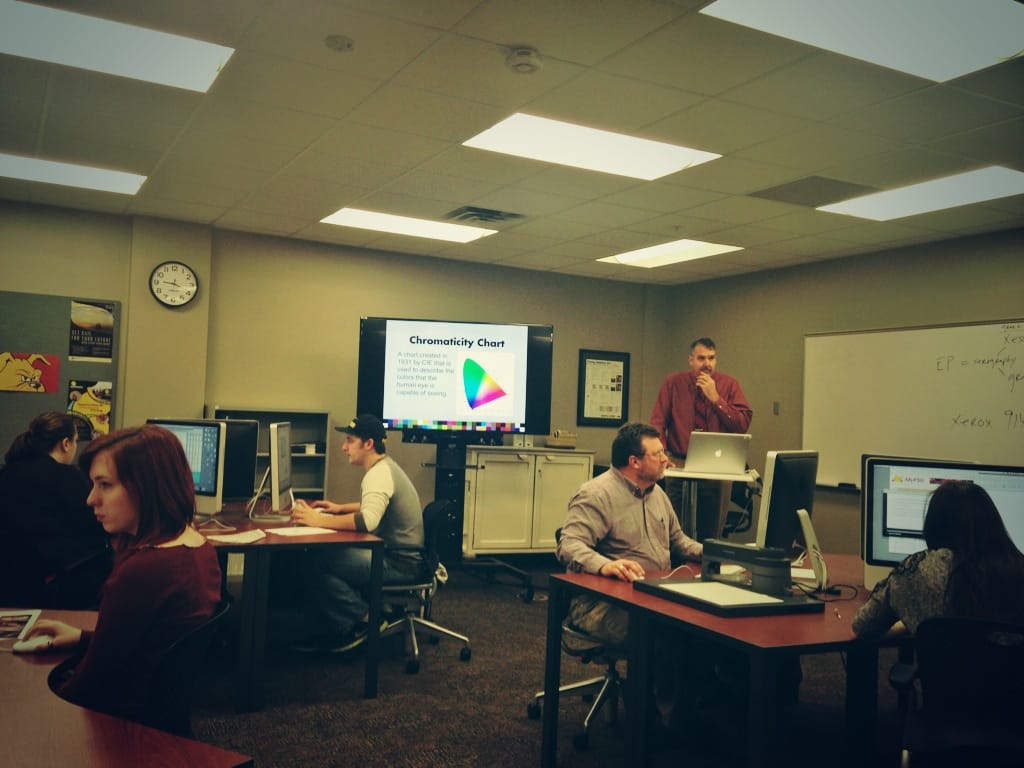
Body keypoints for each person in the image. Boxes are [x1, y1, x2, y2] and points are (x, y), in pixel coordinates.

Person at [18, 424, 222, 724]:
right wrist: (81, 637)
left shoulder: (145, 571)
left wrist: (28, 707)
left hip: (119, 728)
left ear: (148, 487)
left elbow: (88, 689)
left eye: (105, 485)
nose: (90, 499)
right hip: (155, 717)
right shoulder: (199, 548)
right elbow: (147, 644)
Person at [291, 414, 424, 653]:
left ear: (368, 444)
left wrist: (318, 520)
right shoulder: (385, 467)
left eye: (350, 440)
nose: (344, 447)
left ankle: (366, 619)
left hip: (398, 563)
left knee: (317, 563)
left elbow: (368, 521)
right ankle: (348, 618)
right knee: (320, 558)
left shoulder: (378, 474)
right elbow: (377, 507)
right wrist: (340, 508)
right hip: (401, 555)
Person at [853, 480, 1024, 639]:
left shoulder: (912, 573)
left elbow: (863, 625)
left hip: (944, 663)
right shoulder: (1016, 569)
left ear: (933, 524)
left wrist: (912, 619)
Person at [0, 411, 111, 608]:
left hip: (11, 586)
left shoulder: (6, 474)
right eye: (76, 441)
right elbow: (98, 526)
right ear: (66, 444)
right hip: (64, 589)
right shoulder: (71, 478)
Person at [650, 337, 753, 536]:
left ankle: (708, 557)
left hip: (717, 466)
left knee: (711, 532)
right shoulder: (674, 383)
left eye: (711, 358)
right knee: (675, 530)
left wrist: (716, 399)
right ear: (691, 360)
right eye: (701, 358)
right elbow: (658, 422)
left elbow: (741, 425)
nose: (707, 364)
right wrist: (661, 455)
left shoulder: (729, 385)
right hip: (679, 463)